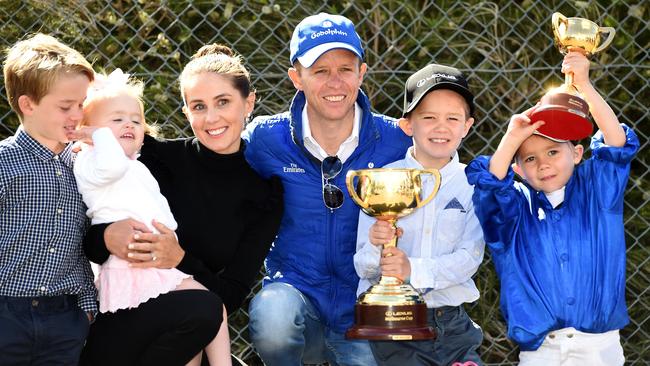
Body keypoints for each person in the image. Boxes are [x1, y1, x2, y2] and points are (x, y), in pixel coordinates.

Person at [80, 45, 283, 366]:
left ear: (249, 103)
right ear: (186, 111)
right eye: (199, 106)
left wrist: (180, 259)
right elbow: (90, 237)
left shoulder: (263, 192)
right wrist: (107, 237)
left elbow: (229, 295)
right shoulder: (148, 157)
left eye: (223, 102)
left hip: (191, 326)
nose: (212, 118)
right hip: (121, 313)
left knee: (201, 314)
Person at [243, 13, 412, 366]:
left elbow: (445, 160)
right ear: (296, 78)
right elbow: (210, 163)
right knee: (274, 316)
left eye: (345, 69)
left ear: (362, 73)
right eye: (320, 71)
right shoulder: (265, 139)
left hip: (364, 309)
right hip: (298, 296)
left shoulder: (395, 141)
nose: (335, 82)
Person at [465, 51, 639, 365]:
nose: (543, 164)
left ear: (576, 153)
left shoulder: (597, 192)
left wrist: (584, 86)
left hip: (600, 349)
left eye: (552, 152)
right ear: (517, 169)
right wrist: (513, 136)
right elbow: (490, 186)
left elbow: (616, 144)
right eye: (530, 158)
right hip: (540, 352)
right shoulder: (513, 211)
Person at [71, 69, 232, 366]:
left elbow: (158, 208)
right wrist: (97, 137)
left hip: (156, 262)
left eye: (136, 119)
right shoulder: (90, 158)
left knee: (204, 319)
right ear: (87, 131)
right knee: (199, 312)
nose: (129, 124)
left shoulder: (136, 164)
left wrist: (168, 236)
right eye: (116, 119)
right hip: (130, 267)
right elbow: (111, 169)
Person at [354, 64, 485, 366]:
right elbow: (363, 266)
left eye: (453, 118)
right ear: (408, 125)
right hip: (394, 327)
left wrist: (410, 268)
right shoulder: (383, 181)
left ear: (467, 126)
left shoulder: (473, 185)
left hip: (452, 325)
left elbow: (469, 259)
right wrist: (377, 243)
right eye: (429, 118)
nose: (441, 127)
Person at [0, 33, 97, 365]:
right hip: (5, 310)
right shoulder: (3, 162)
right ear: (28, 104)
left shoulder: (85, 163)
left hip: (65, 316)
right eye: (65, 106)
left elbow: (85, 240)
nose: (77, 114)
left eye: (82, 104)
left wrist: (85, 307)